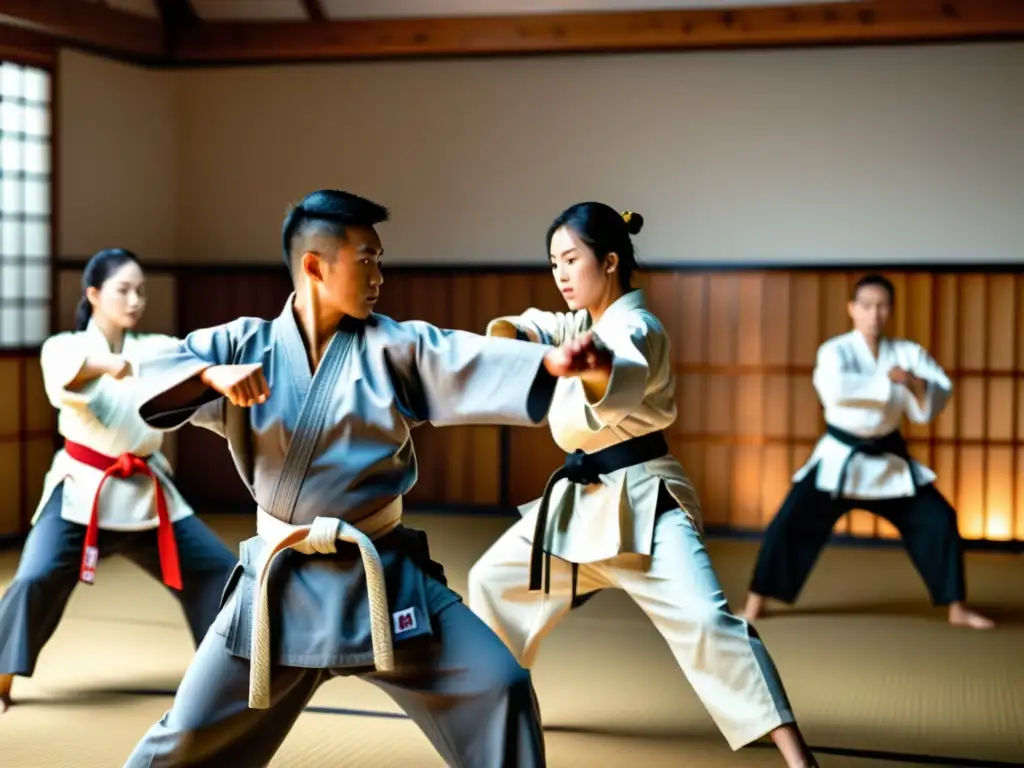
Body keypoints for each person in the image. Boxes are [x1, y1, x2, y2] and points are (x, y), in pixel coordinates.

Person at [121, 189, 613, 768]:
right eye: (366, 259)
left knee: (498, 684)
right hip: (277, 590)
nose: (380, 275)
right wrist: (209, 376)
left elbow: (459, 356)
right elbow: (148, 382)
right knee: (183, 735)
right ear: (314, 266)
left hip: (382, 576)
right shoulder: (242, 345)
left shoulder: (393, 346)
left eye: (380, 259)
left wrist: (550, 365)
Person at [468, 203, 818, 767]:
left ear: (609, 262)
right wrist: (511, 336)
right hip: (575, 506)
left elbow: (620, 374)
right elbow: (529, 326)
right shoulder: (579, 321)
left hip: (643, 501)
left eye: (571, 260)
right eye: (553, 262)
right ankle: (512, 709)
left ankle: (798, 757)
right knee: (489, 582)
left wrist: (592, 367)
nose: (560, 274)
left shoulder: (637, 328)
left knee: (709, 622)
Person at [0, 248, 239, 713]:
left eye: (141, 291)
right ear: (93, 295)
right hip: (81, 489)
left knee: (219, 572)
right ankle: (1, 678)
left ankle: (224, 674)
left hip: (147, 494)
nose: (135, 300)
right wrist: (107, 364)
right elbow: (68, 374)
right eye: (123, 290)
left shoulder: (154, 347)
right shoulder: (65, 346)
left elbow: (191, 364)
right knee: (34, 577)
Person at [742, 273, 994, 631]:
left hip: (888, 460)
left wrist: (913, 381)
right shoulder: (835, 350)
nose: (874, 313)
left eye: (882, 306)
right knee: (789, 522)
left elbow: (938, 389)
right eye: (867, 305)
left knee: (939, 519)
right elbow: (835, 390)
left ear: (890, 311)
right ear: (853, 309)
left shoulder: (906, 353)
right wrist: (890, 382)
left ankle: (957, 607)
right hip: (840, 457)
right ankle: (754, 604)